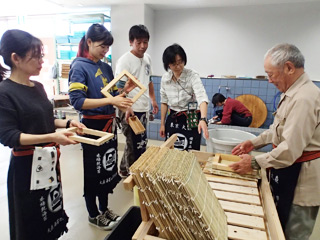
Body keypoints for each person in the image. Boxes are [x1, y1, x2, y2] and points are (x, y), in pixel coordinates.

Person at [0, 29, 85, 240]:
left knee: (50, 210)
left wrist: (66, 122)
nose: (41, 61)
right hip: (26, 169)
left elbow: (44, 119)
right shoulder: (4, 92)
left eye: (41, 55)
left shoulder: (37, 86)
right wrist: (52, 137)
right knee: (31, 221)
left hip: (47, 162)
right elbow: (10, 136)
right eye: (35, 56)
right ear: (16, 58)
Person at [230, 43, 320, 240]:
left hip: (301, 182)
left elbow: (289, 149)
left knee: (291, 234)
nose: (269, 80)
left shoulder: (304, 98)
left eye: (271, 75)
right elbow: (277, 130)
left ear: (289, 67)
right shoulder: (291, 93)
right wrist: (254, 143)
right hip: (287, 172)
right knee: (277, 227)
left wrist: (254, 162)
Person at [68, 24, 134, 230]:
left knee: (107, 168)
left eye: (107, 48)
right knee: (93, 170)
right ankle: (93, 213)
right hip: (91, 127)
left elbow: (113, 96)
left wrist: (123, 97)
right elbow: (77, 101)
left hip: (109, 126)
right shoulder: (79, 67)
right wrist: (113, 102)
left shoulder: (105, 67)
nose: (105, 51)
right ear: (89, 42)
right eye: (101, 47)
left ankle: (104, 209)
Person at [115, 24, 159, 177]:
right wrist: (127, 107)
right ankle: (133, 176)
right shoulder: (124, 61)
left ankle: (122, 168)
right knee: (133, 144)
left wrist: (153, 100)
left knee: (139, 142)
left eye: (145, 42)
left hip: (143, 108)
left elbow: (150, 81)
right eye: (138, 42)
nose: (142, 46)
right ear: (130, 42)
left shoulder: (147, 58)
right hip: (129, 109)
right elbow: (118, 89)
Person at [159, 44, 209, 151]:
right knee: (171, 150)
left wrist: (203, 119)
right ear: (168, 64)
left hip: (191, 117)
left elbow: (202, 97)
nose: (178, 66)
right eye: (174, 64)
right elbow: (164, 102)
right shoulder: (165, 78)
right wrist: (162, 124)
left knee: (191, 151)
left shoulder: (192, 75)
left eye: (180, 62)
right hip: (173, 117)